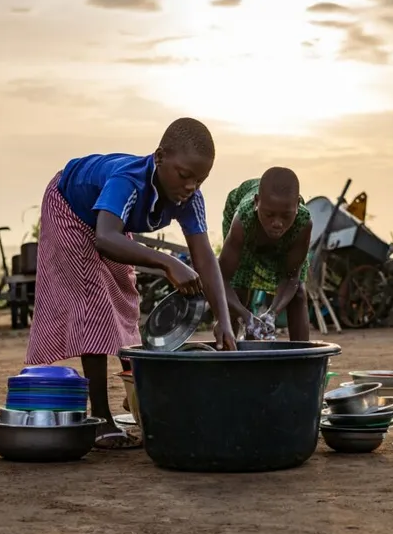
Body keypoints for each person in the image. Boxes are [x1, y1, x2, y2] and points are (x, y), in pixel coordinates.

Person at [25, 117, 236, 449]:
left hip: (107, 224)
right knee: (93, 303)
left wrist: (224, 320)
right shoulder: (129, 180)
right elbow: (106, 238)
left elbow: (204, 257)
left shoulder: (190, 199)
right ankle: (100, 419)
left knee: (124, 296)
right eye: (184, 175)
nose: (191, 186)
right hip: (69, 207)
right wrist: (168, 262)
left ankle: (135, 391)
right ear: (160, 157)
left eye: (200, 180)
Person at [218, 167, 313, 341]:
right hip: (248, 227)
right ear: (257, 202)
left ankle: (301, 354)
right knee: (238, 286)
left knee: (298, 292)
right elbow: (222, 279)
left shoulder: (303, 222)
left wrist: (272, 314)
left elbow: (291, 277)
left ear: (297, 206)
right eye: (269, 215)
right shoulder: (242, 220)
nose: (277, 223)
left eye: (286, 216)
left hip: (286, 240)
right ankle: (227, 351)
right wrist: (246, 316)